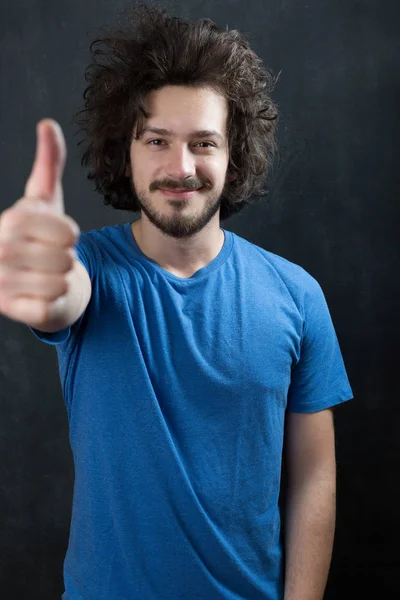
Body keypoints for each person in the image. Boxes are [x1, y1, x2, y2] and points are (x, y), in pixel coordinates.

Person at [0, 4, 353, 600]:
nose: (179, 167)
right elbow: (59, 298)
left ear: (233, 153)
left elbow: (314, 476)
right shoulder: (89, 269)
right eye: (156, 140)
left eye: (203, 142)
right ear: (126, 150)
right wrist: (37, 273)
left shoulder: (297, 295)